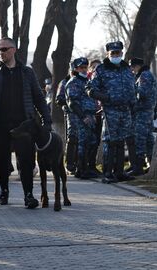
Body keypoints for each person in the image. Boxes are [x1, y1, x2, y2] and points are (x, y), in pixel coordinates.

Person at [0, 37, 52, 208]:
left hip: (24, 125)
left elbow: (39, 98)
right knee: (2, 161)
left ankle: (28, 195)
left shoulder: (27, 72)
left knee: (26, 161)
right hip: (0, 125)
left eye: (5, 49)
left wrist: (47, 120)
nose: (1, 53)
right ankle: (4, 191)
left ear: (14, 50)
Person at [86, 41, 136, 183]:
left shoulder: (126, 69)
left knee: (121, 141)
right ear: (108, 54)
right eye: (113, 53)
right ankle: (107, 173)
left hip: (125, 110)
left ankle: (119, 172)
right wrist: (107, 98)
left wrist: (133, 102)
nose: (116, 55)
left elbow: (132, 87)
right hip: (110, 110)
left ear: (122, 53)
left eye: (118, 52)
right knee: (110, 141)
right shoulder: (101, 70)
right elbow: (90, 89)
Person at [65, 57, 99, 179]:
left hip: (90, 115)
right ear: (76, 69)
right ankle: (81, 169)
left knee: (92, 142)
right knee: (82, 143)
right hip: (80, 117)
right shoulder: (73, 82)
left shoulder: (87, 81)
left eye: (85, 67)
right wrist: (83, 116)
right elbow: (72, 102)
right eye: (81, 68)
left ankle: (88, 167)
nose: (84, 70)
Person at [128, 57, 156, 175]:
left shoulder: (144, 76)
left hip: (143, 112)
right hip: (145, 111)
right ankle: (146, 164)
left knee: (140, 138)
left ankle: (138, 167)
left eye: (132, 67)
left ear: (137, 66)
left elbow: (143, 93)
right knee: (147, 138)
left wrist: (132, 89)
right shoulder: (144, 75)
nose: (132, 70)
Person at [56, 65, 76, 174]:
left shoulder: (85, 80)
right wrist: (68, 104)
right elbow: (59, 99)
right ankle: (70, 164)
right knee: (72, 138)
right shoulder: (64, 82)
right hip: (71, 114)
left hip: (84, 115)